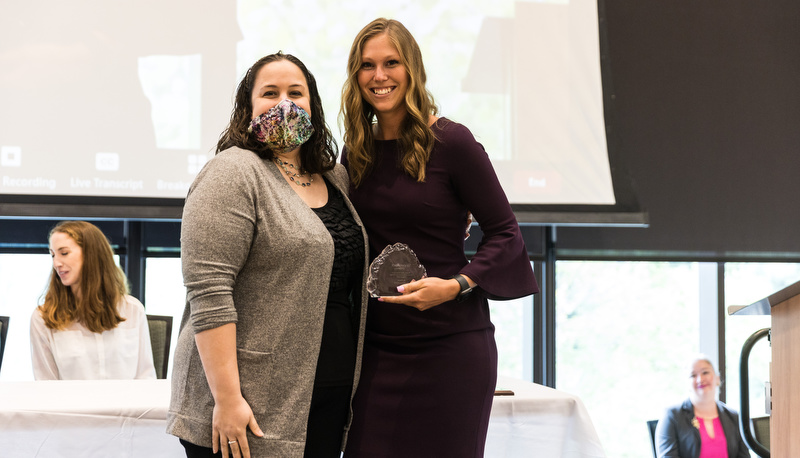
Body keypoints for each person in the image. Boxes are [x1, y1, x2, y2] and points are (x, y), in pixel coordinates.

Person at [339, 18, 540, 457]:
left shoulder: (452, 142)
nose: (379, 76)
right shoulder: (354, 151)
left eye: (391, 62)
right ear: (355, 76)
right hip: (375, 351)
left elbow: (506, 233)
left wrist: (456, 286)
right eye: (367, 65)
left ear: (411, 69)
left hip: (451, 350)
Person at [166, 52, 369, 458]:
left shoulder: (335, 176)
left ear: (313, 104)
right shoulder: (233, 172)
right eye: (269, 93)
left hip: (325, 393)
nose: (284, 104)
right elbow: (209, 292)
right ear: (248, 106)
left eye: (296, 92)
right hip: (249, 401)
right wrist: (227, 398)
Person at [30, 220, 156, 380]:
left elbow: (145, 378)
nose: (56, 263)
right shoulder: (43, 318)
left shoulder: (132, 309)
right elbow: (45, 385)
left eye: (64, 253)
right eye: (53, 255)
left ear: (91, 254)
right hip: (71, 405)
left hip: (125, 405)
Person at [655, 355, 750, 458]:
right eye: (693, 375)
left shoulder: (734, 416)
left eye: (705, 372)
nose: (700, 379)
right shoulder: (672, 416)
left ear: (717, 378)